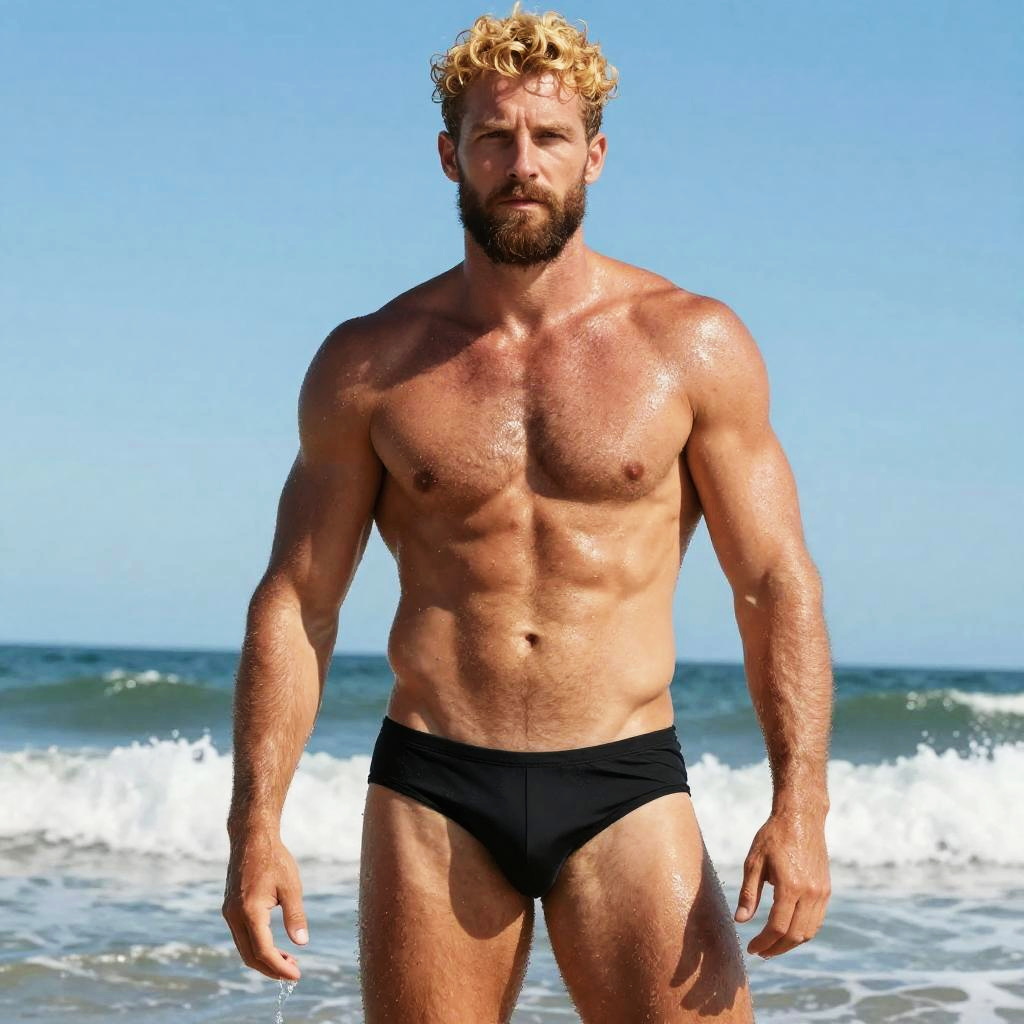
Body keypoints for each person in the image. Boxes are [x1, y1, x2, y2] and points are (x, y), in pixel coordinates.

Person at [222, 5, 834, 1021]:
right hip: (434, 784)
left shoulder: (691, 344)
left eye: (549, 136)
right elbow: (297, 600)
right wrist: (255, 826)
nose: (521, 164)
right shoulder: (369, 364)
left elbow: (773, 581)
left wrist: (801, 806)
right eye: (492, 137)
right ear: (448, 156)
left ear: (594, 155)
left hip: (625, 779)